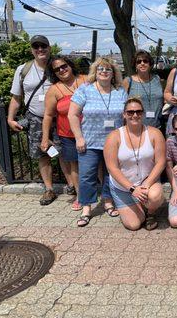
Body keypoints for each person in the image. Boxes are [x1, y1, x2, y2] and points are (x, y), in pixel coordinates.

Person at [68, 57, 128, 227]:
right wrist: (79, 137)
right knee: (87, 175)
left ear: (113, 73)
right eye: (101, 68)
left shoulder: (120, 91)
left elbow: (126, 115)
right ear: (95, 71)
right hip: (90, 142)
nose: (104, 72)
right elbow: (72, 114)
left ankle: (108, 202)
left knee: (111, 175)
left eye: (108, 69)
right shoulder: (85, 89)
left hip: (114, 142)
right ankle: (86, 208)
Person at [7, 35, 55, 206]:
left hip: (59, 118)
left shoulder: (57, 66)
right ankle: (49, 189)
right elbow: (16, 97)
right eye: (36, 46)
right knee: (42, 154)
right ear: (32, 50)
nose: (40, 49)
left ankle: (72, 185)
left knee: (66, 153)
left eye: (43, 46)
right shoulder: (23, 69)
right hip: (35, 118)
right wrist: (10, 118)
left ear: (49, 48)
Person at [104, 98, 166, 231]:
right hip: (123, 187)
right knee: (134, 225)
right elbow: (112, 168)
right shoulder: (113, 137)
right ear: (124, 114)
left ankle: (151, 212)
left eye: (138, 111)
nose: (135, 115)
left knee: (155, 196)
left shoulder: (155, 133)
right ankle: (135, 205)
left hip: (146, 181)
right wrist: (133, 189)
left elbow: (161, 162)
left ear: (143, 113)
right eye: (130, 112)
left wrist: (146, 185)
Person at [40, 55, 87, 211]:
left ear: (70, 65)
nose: (62, 70)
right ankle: (81, 196)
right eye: (57, 69)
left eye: (64, 66)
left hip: (90, 131)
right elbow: (48, 115)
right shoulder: (54, 90)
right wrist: (45, 138)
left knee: (99, 164)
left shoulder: (86, 80)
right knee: (75, 165)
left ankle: (104, 195)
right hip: (68, 135)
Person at [123, 50, 164, 129]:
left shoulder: (157, 79)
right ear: (135, 65)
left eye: (145, 61)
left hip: (157, 127)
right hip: (135, 128)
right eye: (139, 62)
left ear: (150, 64)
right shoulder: (128, 81)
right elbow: (123, 106)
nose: (142, 63)